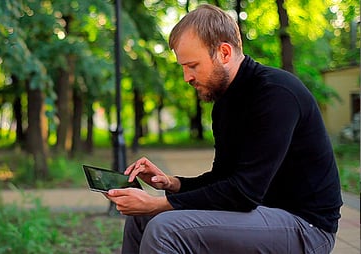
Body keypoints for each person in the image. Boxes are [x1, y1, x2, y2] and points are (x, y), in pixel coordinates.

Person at [105, 4, 342, 254]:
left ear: (224, 53)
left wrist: (158, 204)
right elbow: (224, 179)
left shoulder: (276, 94)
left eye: (193, 65)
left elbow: (244, 193)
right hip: (261, 214)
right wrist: (172, 184)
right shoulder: (224, 104)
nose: (187, 77)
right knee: (142, 219)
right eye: (183, 67)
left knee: (165, 228)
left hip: (307, 227)